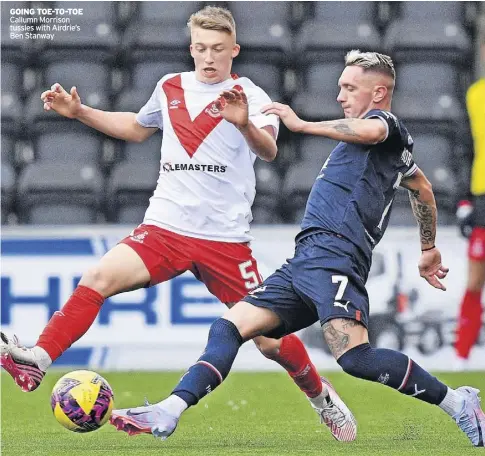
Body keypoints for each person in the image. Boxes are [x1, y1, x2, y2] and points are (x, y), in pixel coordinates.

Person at [0, 6, 356, 440]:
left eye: (219, 50)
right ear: (192, 48)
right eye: (202, 48)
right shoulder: (170, 85)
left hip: (224, 241)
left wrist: (244, 125)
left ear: (234, 51)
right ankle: (38, 358)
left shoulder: (250, 95)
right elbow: (135, 127)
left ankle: (322, 398)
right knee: (98, 276)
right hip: (166, 227)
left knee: (269, 341)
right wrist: (81, 113)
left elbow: (268, 151)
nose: (209, 58)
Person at [110, 50, 485, 447]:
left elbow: (377, 135)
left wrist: (301, 124)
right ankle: (170, 408)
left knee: (356, 359)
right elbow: (422, 187)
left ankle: (458, 403)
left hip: (336, 258)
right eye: (340, 86)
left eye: (349, 87)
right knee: (229, 326)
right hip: (304, 261)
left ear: (378, 93)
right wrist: (428, 248)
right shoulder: (381, 148)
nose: (340, 95)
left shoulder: (385, 125)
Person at [454, 33, 485, 369]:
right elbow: (466, 150)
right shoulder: (476, 95)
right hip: (483, 198)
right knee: (475, 280)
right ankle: (461, 354)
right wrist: (465, 200)